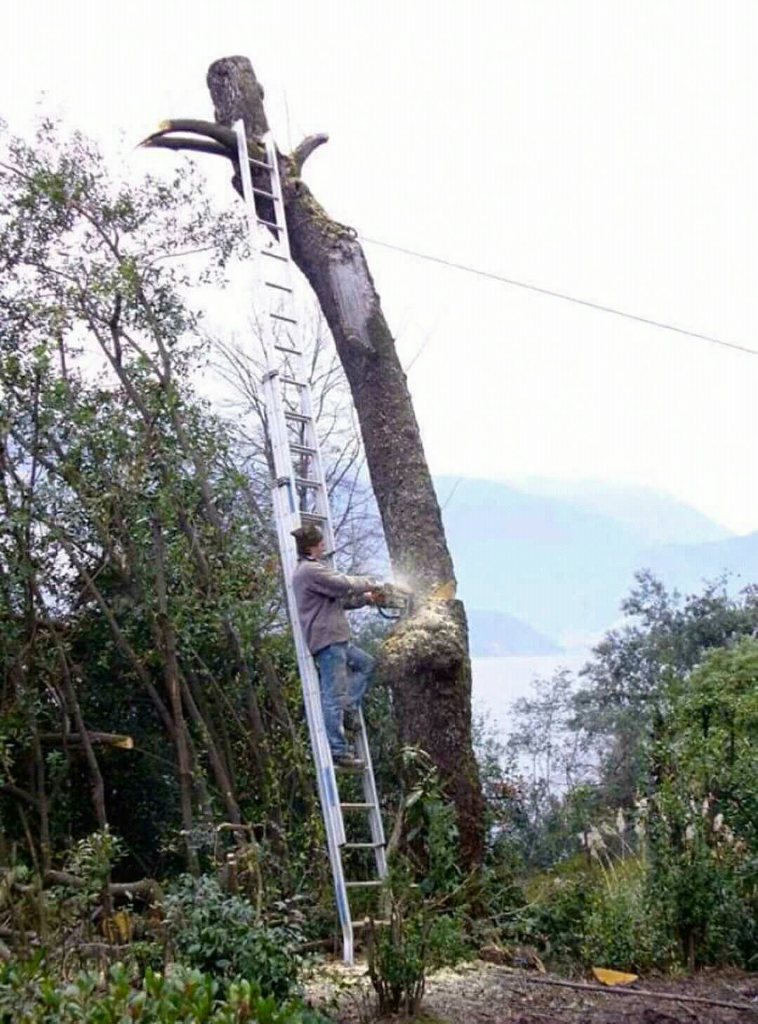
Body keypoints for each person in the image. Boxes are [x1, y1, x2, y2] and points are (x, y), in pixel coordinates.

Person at [291, 524, 382, 769]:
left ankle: (350, 708)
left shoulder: (313, 571)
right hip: (328, 641)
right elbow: (343, 584)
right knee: (333, 696)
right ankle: (339, 751)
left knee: (366, 664)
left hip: (337, 638)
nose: (323, 546)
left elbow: (339, 601)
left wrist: (366, 599)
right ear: (311, 546)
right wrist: (372, 582)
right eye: (320, 543)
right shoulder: (309, 571)